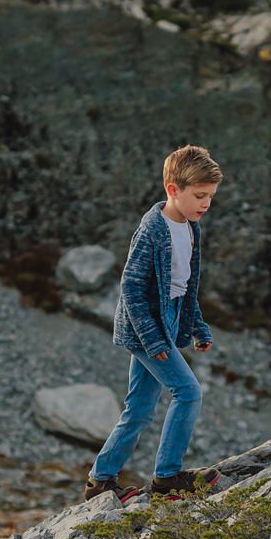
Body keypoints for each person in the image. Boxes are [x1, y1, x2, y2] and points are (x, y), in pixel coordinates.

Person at [86, 145, 223, 500]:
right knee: (188, 391)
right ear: (173, 190)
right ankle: (167, 476)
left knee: (140, 408)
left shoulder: (192, 228)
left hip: (170, 318)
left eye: (210, 196)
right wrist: (154, 341)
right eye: (199, 196)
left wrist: (198, 327)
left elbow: (186, 285)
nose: (205, 204)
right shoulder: (152, 230)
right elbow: (130, 288)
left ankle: (100, 481)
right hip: (143, 327)